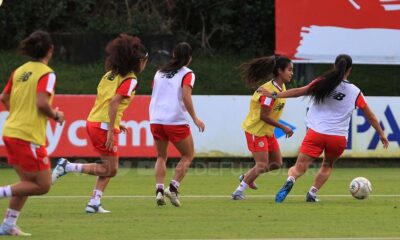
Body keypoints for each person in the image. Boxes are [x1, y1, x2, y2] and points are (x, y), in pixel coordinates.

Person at [257, 54, 389, 203]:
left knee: (299, 168)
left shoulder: (322, 82)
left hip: (316, 133)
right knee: (327, 165)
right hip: (337, 138)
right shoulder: (355, 92)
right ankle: (312, 193)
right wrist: (381, 134)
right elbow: (370, 116)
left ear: (334, 66)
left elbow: (299, 91)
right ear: (350, 70)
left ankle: (291, 179)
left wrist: (276, 94)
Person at [51, 34, 148, 213]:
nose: (145, 64)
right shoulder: (131, 79)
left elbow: (107, 101)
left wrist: (118, 123)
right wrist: (111, 129)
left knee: (107, 166)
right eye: (145, 60)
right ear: (139, 61)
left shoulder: (110, 75)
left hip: (95, 121)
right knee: (111, 169)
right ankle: (67, 166)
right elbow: (113, 103)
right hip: (103, 126)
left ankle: (94, 202)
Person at [0, 30, 65, 236]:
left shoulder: (19, 71)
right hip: (27, 136)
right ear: (50, 50)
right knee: (43, 185)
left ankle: (8, 225)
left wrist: (18, 114)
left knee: (27, 183)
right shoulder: (47, 73)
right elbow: (41, 103)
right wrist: (55, 115)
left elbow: (4, 97)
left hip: (11, 131)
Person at [149, 42, 205, 207]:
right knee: (188, 155)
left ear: (173, 55)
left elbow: (156, 93)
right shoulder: (187, 73)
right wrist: (195, 118)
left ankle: (159, 190)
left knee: (161, 156)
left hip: (156, 119)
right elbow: (186, 96)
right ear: (188, 58)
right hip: (175, 120)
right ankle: (172, 188)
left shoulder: (159, 72)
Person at [231, 55, 294, 200]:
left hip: (267, 131)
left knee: (277, 163)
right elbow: (263, 116)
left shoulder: (281, 87)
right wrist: (283, 127)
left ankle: (246, 177)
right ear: (280, 71)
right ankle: (238, 192)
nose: (291, 73)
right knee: (261, 164)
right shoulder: (267, 92)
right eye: (289, 70)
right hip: (256, 131)